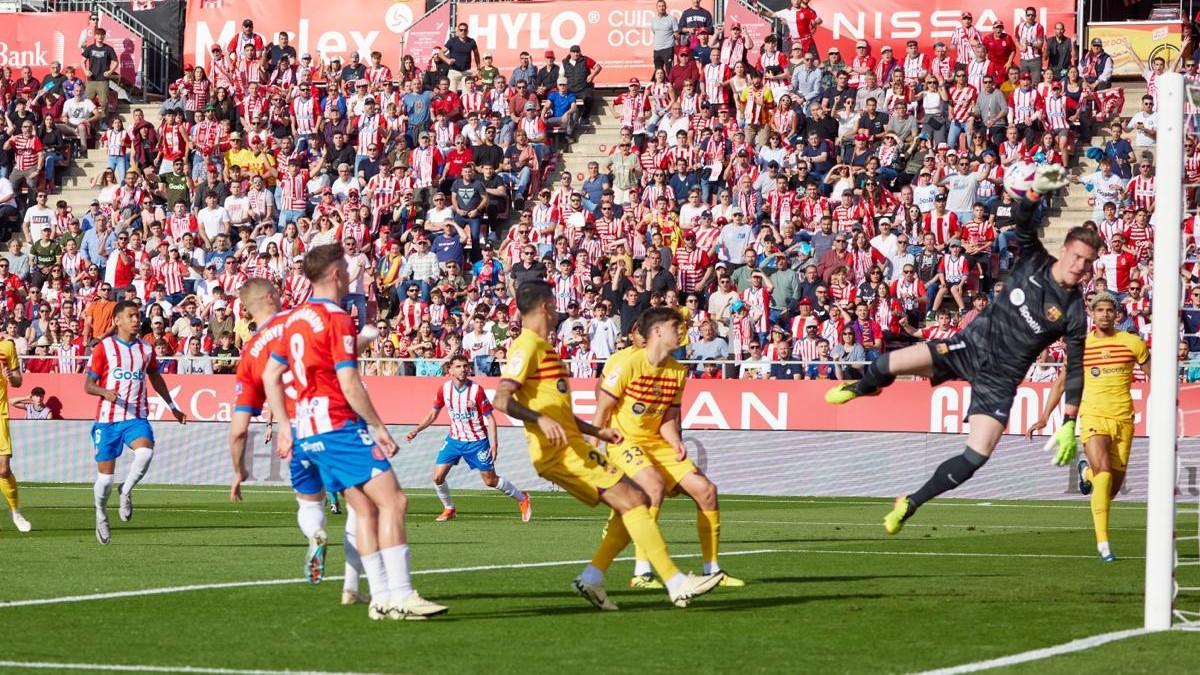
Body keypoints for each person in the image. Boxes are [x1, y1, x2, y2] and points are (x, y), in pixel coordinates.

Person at [825, 164, 1100, 534]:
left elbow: (1077, 368)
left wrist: (1068, 423)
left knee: (977, 456)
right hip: (967, 347)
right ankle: (863, 387)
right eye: (1077, 257)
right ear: (1064, 249)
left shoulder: (1073, 310)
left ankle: (910, 502)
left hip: (1000, 380)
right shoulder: (1035, 259)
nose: (1080, 266)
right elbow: (1020, 219)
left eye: (1087, 263)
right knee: (886, 363)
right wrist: (1034, 192)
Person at [492, 280, 722, 610]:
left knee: (633, 500)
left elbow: (558, 411)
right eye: (554, 304)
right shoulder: (526, 345)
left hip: (571, 444)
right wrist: (539, 420)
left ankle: (593, 578)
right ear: (545, 306)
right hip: (561, 451)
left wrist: (597, 432)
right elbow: (502, 399)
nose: (557, 311)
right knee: (635, 499)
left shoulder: (543, 348)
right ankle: (674, 581)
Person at [262, 244, 446, 620]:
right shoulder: (337, 317)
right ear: (334, 273)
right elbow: (348, 381)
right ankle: (403, 594)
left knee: (364, 509)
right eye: (345, 269)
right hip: (338, 426)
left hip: (308, 432)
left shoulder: (294, 318)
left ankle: (379, 597)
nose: (350, 275)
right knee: (394, 502)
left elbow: (270, 375)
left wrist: (284, 424)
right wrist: (379, 427)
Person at [590, 307, 745, 590]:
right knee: (653, 487)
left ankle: (712, 570)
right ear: (658, 331)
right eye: (677, 327)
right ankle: (642, 572)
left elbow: (668, 419)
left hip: (657, 444)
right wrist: (593, 452)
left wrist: (675, 440)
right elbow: (601, 409)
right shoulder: (626, 363)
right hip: (625, 441)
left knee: (707, 491)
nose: (682, 332)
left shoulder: (678, 371)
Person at [228, 278, 344, 590]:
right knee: (368, 503)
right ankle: (359, 588)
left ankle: (314, 535)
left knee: (309, 503)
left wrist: (239, 471)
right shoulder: (302, 319)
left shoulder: (250, 352)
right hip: (331, 419)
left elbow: (239, 430)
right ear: (271, 297)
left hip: (292, 432)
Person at [1026, 292, 1150, 562]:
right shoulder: (1081, 345)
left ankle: (1085, 474)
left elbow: (1157, 377)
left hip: (1124, 420)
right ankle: (1103, 545)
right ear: (1091, 314)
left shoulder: (1133, 343)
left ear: (1117, 314)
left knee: (1111, 490)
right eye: (1099, 310)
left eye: (1109, 310)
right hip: (1092, 416)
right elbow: (1061, 382)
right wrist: (1046, 416)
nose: (1104, 314)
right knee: (1104, 472)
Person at [84, 300, 188, 544]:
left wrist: (172, 406)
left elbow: (154, 376)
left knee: (145, 454)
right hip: (107, 420)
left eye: (137, 316)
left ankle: (127, 489)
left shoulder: (146, 349)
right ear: (117, 320)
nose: (135, 320)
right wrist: (104, 392)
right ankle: (101, 512)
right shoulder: (104, 348)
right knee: (105, 480)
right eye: (130, 316)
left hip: (135, 417)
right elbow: (88, 385)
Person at [405, 354, 532, 522]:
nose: (463, 369)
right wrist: (417, 430)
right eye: (458, 366)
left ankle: (522, 498)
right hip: (454, 440)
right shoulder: (444, 389)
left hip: (477, 442)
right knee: (437, 477)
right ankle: (449, 508)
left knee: (490, 480)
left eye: (465, 366)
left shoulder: (476, 390)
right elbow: (433, 413)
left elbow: (491, 418)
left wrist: (494, 445)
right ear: (450, 370)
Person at [0, 334, 31, 532]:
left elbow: (18, 381)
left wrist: (11, 377)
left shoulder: (7, 346)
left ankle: (15, 511)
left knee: (3, 469)